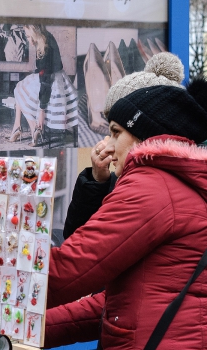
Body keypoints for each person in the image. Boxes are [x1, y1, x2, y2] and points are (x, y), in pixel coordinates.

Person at [45, 81, 207, 350]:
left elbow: (70, 270)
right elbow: (115, 305)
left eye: (116, 132)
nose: (107, 145)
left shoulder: (152, 187)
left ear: (146, 135)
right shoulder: (174, 186)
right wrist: (26, 328)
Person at [62, 52, 185, 239]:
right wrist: (96, 182)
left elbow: (84, 253)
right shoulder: (123, 180)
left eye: (115, 132)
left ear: (146, 131)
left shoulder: (153, 195)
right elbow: (75, 237)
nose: (106, 145)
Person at [8, 25, 78, 145]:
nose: (28, 39)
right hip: (56, 77)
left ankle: (34, 129)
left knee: (20, 90)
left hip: (51, 82)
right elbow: (45, 69)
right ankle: (17, 126)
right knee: (20, 87)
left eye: (29, 36)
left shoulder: (44, 47)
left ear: (35, 33)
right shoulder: (46, 38)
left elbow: (45, 80)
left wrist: (41, 110)